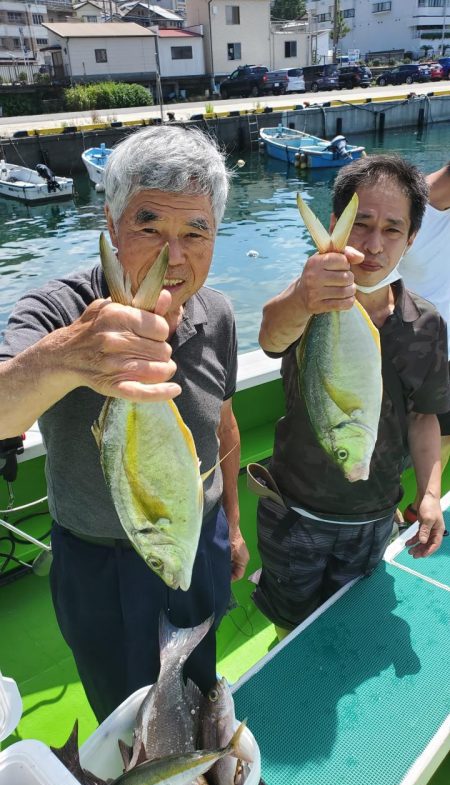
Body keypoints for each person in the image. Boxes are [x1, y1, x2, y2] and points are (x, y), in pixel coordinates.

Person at [0, 125, 249, 722]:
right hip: (101, 564)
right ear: (109, 225)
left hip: (198, 537)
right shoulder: (57, 309)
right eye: (148, 227)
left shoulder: (216, 313)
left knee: (202, 681)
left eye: (196, 231)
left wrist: (233, 525)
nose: (175, 254)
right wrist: (67, 356)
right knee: (128, 715)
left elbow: (225, 426)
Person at [253, 154, 450, 637]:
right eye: (360, 224)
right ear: (337, 223)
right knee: (289, 626)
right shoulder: (310, 303)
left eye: (392, 230)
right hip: (293, 512)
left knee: (352, 621)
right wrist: (304, 295)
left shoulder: (425, 324)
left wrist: (428, 495)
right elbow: (271, 338)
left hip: (375, 517)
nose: (373, 244)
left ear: (412, 238)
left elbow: (425, 417)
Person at [399, 161, 450, 525]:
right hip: (408, 355)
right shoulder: (406, 207)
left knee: (444, 435)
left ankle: (420, 508)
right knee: (390, 449)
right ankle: (386, 516)